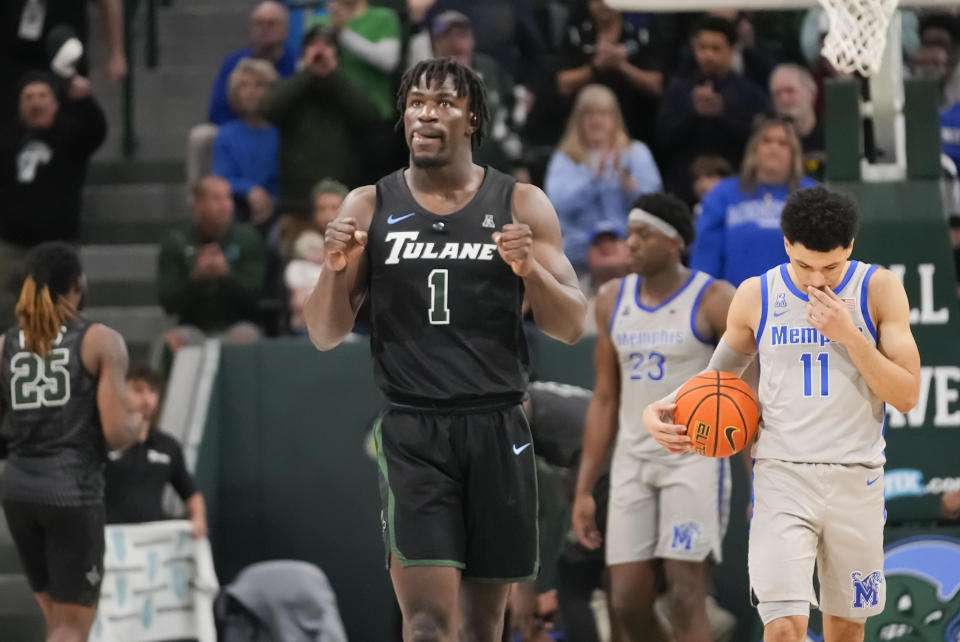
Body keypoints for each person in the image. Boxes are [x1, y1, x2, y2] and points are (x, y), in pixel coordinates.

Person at [303, 58, 587, 641]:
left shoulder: (520, 203)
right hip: (413, 429)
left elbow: (571, 325)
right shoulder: (367, 205)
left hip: (498, 425)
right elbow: (325, 333)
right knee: (429, 623)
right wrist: (335, 272)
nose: (425, 113)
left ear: (472, 116)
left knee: (484, 626)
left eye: (442, 103)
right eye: (415, 102)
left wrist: (529, 268)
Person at [643, 186, 922, 642]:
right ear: (786, 244)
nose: (817, 281)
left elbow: (907, 395)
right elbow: (716, 381)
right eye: (805, 265)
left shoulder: (879, 289)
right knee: (784, 629)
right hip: (781, 475)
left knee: (847, 632)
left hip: (857, 477)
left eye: (830, 267)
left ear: (850, 246)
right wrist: (665, 408)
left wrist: (850, 336)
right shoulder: (758, 294)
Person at [572, 193, 735, 641]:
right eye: (630, 234)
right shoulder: (609, 300)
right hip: (632, 461)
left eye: (644, 234)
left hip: (693, 459)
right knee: (625, 603)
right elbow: (605, 398)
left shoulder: (715, 299)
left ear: (674, 242)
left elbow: (748, 393)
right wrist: (585, 488)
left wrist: (759, 474)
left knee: (686, 594)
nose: (632, 243)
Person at [0, 242, 140, 642]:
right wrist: (135, 422)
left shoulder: (4, 344)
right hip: (72, 493)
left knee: (58, 625)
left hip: (19, 491)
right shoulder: (99, 340)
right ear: (78, 284)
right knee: (72, 629)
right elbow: (115, 433)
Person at [0, 72, 106, 328]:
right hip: (12, 246)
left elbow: (96, 131)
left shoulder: (70, 138)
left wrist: (85, 100)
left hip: (59, 245)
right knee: (5, 316)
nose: (36, 103)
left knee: (63, 320)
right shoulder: (7, 140)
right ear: (19, 105)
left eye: (42, 96)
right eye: (29, 97)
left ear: (55, 103)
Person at [260, 24, 381, 218]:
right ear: (303, 53)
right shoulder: (292, 86)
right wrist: (308, 73)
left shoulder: (348, 86)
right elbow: (268, 110)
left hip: (343, 199)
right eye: (313, 45)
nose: (320, 50)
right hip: (297, 202)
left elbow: (369, 115)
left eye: (327, 44)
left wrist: (332, 76)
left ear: (337, 53)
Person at [544, 84, 662, 274]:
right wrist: (594, 178)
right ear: (578, 120)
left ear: (615, 118)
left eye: (604, 113)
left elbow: (655, 205)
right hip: (579, 258)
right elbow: (557, 203)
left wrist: (626, 179)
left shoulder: (636, 153)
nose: (596, 120)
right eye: (589, 114)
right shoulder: (565, 158)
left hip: (630, 255)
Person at [690, 115, 817, 287]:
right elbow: (705, 253)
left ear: (794, 153)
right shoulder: (722, 194)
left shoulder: (813, 195)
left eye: (783, 143)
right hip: (735, 302)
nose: (774, 148)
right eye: (766, 141)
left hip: (799, 302)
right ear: (754, 149)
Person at [656, 15, 769, 204]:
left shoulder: (750, 94)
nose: (708, 55)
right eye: (702, 48)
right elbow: (660, 140)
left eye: (716, 49)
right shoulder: (678, 91)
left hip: (738, 189)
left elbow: (758, 141)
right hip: (684, 192)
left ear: (732, 50)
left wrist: (722, 115)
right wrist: (692, 113)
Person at [187, 1, 295, 188]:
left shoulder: (294, 63)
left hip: (280, 130)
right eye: (258, 23)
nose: (263, 29)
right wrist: (245, 128)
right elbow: (216, 112)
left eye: (270, 24)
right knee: (201, 136)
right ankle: (202, 203)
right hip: (238, 127)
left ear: (285, 30)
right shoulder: (234, 62)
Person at [103, 365, 208, 539]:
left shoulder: (167, 445)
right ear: (120, 393)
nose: (146, 399)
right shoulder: (104, 441)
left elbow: (191, 493)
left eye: (152, 391)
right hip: (109, 539)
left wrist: (199, 519)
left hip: (153, 542)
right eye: (138, 390)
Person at [157, 176, 266, 341]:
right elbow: (168, 302)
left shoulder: (247, 238)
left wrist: (227, 274)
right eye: (216, 199)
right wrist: (196, 277)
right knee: (171, 342)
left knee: (245, 337)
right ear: (199, 204)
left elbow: (256, 295)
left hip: (237, 323)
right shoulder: (177, 241)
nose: (225, 206)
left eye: (228, 198)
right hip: (192, 326)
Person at [212, 58, 280, 229]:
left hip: (280, 209)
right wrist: (250, 190)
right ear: (235, 92)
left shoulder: (283, 132)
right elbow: (221, 179)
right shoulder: (226, 134)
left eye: (259, 85)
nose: (251, 92)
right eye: (244, 86)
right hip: (239, 209)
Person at [769, 64, 825, 178]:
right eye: (777, 93)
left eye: (790, 91)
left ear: (812, 93)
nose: (783, 99)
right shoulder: (768, 142)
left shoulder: (832, 137)